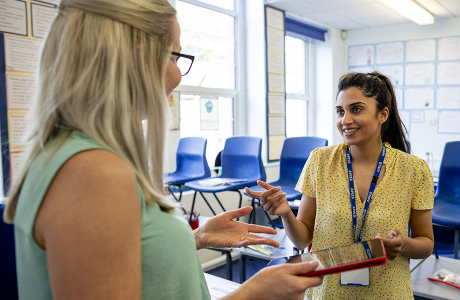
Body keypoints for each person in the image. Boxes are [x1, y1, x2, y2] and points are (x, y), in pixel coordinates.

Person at [2, 0, 322, 299]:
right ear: (139, 57)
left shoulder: (67, 154)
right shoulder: (93, 173)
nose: (177, 76)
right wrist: (253, 293)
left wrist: (193, 238)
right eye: (175, 57)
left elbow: (132, 262)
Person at [247, 72, 435, 299]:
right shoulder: (320, 160)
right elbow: (303, 239)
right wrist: (286, 213)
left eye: (356, 109)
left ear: (382, 114)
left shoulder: (413, 169)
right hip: (329, 292)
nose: (345, 120)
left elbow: (426, 244)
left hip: (387, 292)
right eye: (340, 111)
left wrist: (403, 244)